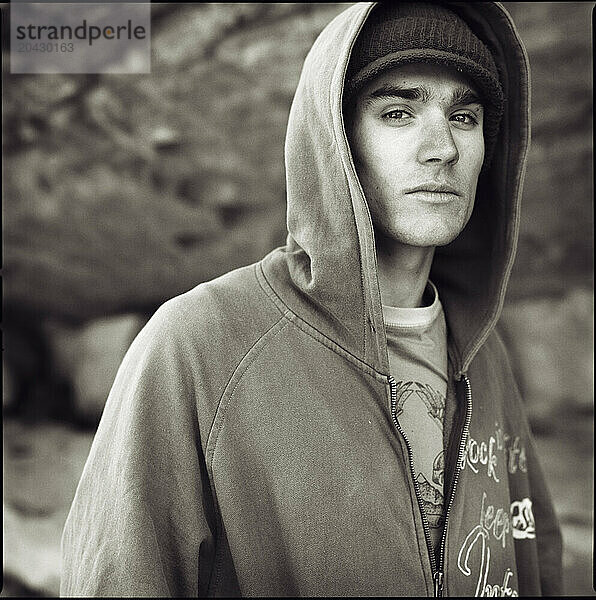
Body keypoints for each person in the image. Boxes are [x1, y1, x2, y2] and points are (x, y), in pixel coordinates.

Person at [60, 2, 563, 596]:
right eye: (398, 113)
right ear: (335, 143)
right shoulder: (196, 348)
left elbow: (535, 558)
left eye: (465, 117)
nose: (442, 149)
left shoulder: (484, 354)